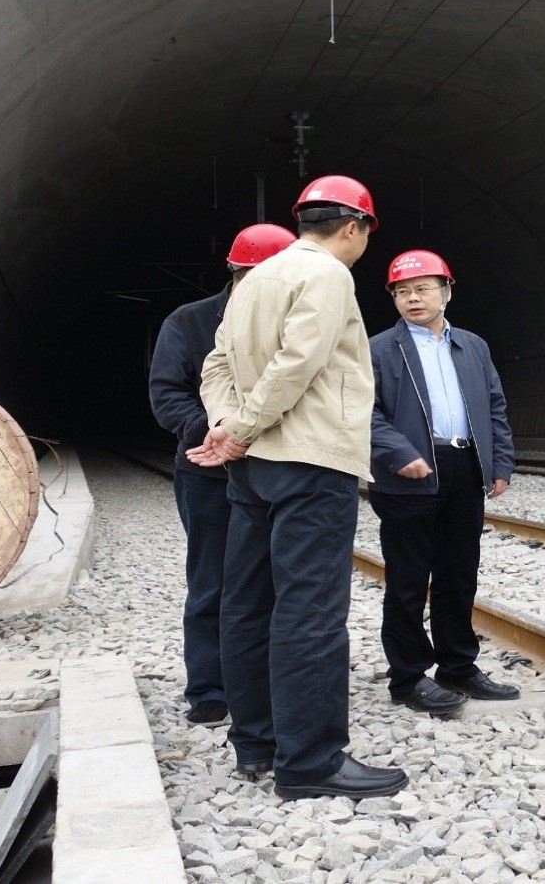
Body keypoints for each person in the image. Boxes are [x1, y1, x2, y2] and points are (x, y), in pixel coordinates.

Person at [188, 176, 407, 802]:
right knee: (310, 612)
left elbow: (216, 366)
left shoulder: (254, 279)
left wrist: (228, 426)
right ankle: (310, 761)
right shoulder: (328, 274)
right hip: (312, 462)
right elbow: (300, 361)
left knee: (247, 606)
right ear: (354, 227)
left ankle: (256, 743)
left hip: (253, 470)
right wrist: (243, 427)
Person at [148, 222, 297, 728]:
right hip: (208, 473)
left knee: (276, 581)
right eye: (252, 278)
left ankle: (267, 681)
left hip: (279, 471)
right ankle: (209, 688)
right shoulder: (188, 321)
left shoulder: (298, 321)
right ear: (233, 273)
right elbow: (167, 394)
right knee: (212, 580)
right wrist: (216, 431)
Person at [368, 249, 518, 715]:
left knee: (458, 575)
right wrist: (399, 453)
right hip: (407, 475)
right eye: (402, 291)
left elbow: (494, 405)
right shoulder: (376, 349)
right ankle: (408, 677)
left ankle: (458, 666)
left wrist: (499, 463)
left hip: (463, 467)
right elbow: (362, 412)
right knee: (408, 580)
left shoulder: (472, 346)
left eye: (423, 289)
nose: (412, 298)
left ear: (447, 291)